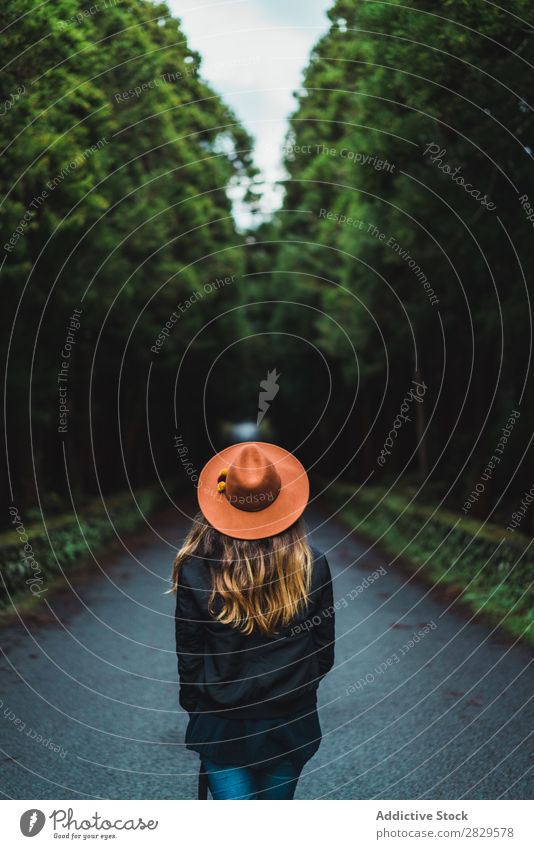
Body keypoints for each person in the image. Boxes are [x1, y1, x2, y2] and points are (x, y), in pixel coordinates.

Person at [169, 441, 335, 800]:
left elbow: (190, 653)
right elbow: (323, 651)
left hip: (220, 721)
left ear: (221, 504)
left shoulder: (196, 568)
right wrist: (295, 692)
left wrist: (198, 708)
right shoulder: (313, 564)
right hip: (292, 720)